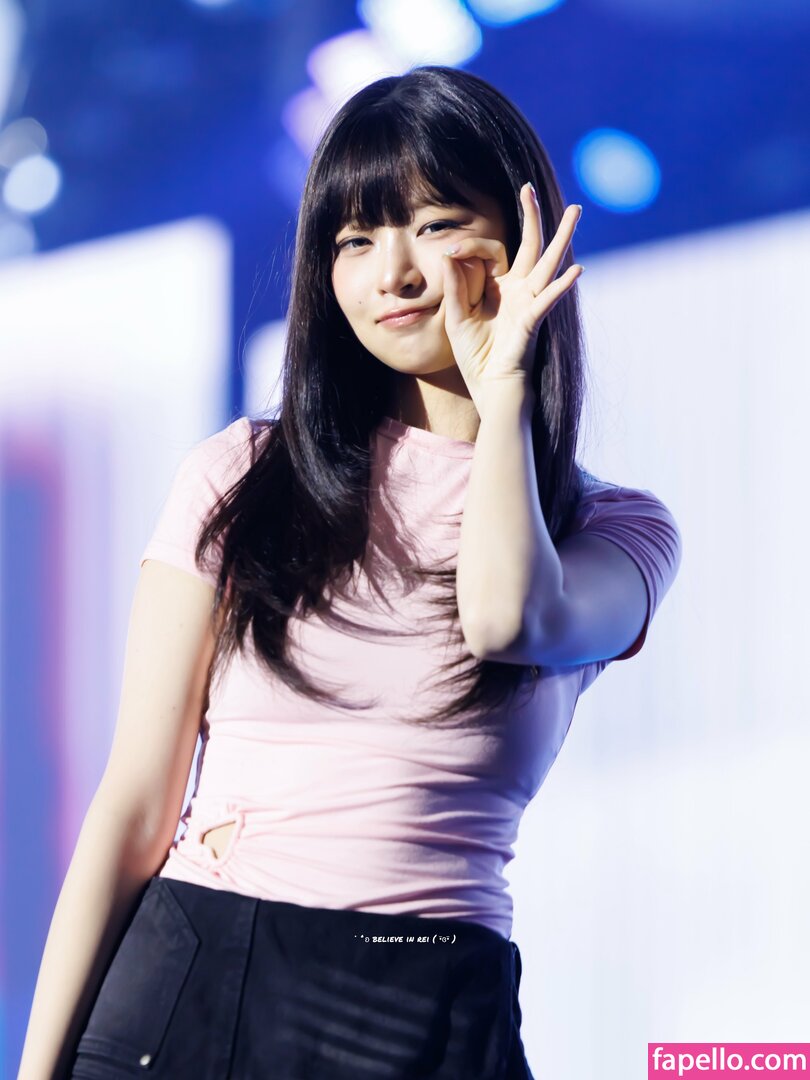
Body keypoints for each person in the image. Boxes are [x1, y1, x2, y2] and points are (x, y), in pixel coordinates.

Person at [18, 65, 682, 1079]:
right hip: (203, 973)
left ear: (521, 243)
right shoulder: (242, 476)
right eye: (355, 239)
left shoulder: (612, 528)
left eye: (435, 224)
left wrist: (502, 391)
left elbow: (506, 619)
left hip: (431, 991)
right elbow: (135, 804)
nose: (393, 273)